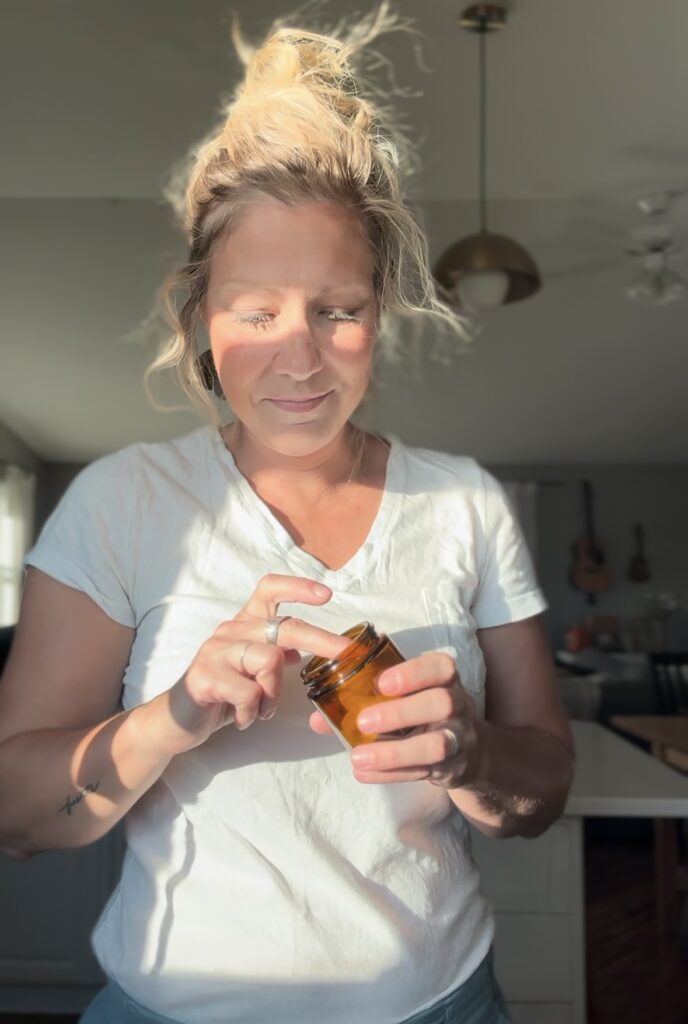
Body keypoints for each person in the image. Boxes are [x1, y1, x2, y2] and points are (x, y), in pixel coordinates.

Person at [0, 6, 574, 1023]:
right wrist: (171, 716)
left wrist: (472, 752)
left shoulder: (464, 506)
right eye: (256, 311)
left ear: (377, 315)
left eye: (335, 310)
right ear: (201, 316)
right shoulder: (124, 503)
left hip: (440, 1002)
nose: (299, 355)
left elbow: (540, 792)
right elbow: (16, 815)